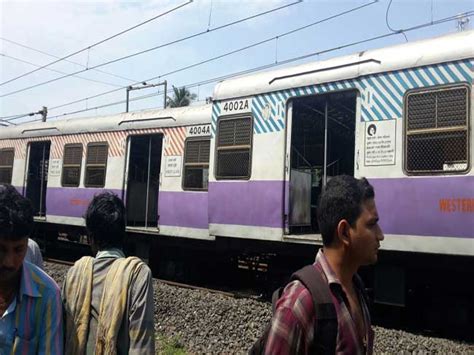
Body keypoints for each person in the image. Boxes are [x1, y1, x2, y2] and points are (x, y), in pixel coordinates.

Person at [264, 175, 384, 354]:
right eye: (372, 224)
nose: (380, 235)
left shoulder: (357, 288)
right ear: (344, 232)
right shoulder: (298, 304)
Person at [62, 192, 155, 355]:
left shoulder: (75, 272)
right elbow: (142, 345)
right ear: (123, 233)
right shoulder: (137, 274)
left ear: (90, 238)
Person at [0, 184, 63, 354]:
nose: (9, 262)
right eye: (2, 249)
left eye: (19, 250)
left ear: (28, 244)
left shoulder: (48, 295)